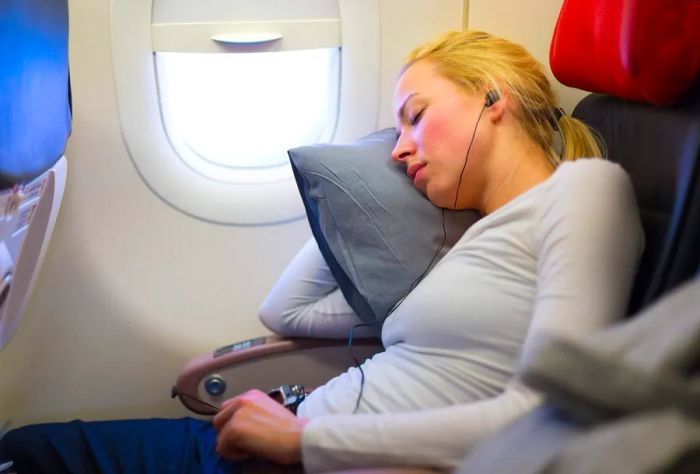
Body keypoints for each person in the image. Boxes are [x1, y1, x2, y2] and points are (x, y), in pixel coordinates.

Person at [0, 30, 644, 473]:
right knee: (24, 451)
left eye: (415, 116)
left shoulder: (585, 192)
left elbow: (552, 413)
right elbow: (287, 312)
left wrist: (305, 439)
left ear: (493, 97)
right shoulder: (467, 238)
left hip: (309, 452)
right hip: (286, 438)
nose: (399, 147)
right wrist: (355, 185)